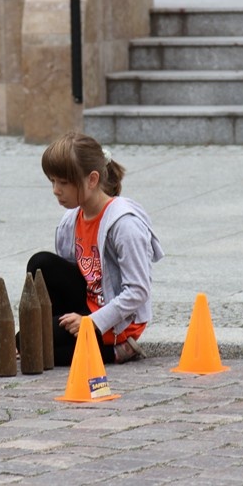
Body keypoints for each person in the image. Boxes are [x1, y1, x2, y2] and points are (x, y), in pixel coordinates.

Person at [26, 131, 163, 366]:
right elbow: (70, 275)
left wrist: (92, 322)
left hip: (117, 322)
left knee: (36, 349)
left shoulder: (124, 225)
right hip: (87, 305)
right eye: (52, 181)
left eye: (64, 183)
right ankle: (63, 339)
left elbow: (138, 291)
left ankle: (117, 350)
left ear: (92, 179)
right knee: (40, 265)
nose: (56, 190)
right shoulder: (71, 220)